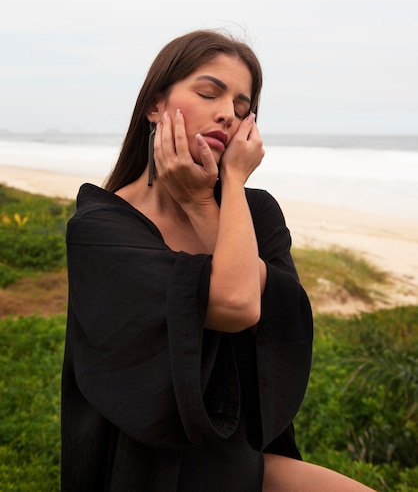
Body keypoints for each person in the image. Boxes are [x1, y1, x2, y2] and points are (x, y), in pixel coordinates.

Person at [61, 29, 376, 491]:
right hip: (146, 471)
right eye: (209, 92)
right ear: (154, 105)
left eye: (242, 107)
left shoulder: (256, 212)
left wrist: (226, 189)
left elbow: (275, 318)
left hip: (241, 460)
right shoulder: (101, 228)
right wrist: (208, 201)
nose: (227, 113)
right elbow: (237, 303)